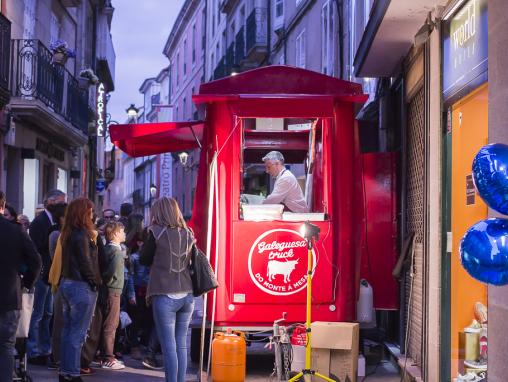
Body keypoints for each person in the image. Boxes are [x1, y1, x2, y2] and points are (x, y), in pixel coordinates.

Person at [140, 197, 195, 382]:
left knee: (169, 347)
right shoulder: (188, 232)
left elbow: (144, 259)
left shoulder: (154, 232)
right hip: (187, 294)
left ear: (159, 212)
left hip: (164, 293)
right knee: (181, 345)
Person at [59, 198, 102, 382]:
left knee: (68, 331)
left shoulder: (68, 233)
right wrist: (94, 282)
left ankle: (66, 372)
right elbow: (86, 263)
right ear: (84, 213)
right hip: (80, 286)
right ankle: (73, 373)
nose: (92, 214)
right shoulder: (82, 235)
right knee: (77, 333)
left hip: (68, 284)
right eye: (90, 211)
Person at [0, 190, 41, 382]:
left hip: (10, 295)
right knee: (6, 347)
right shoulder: (16, 230)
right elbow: (36, 262)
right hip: (9, 296)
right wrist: (25, 284)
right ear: (3, 205)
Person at [27, 189, 66, 365]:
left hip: (52, 275)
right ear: (50, 202)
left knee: (48, 314)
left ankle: (45, 349)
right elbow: (35, 250)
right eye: (60, 202)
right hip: (42, 274)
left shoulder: (58, 223)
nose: (63, 206)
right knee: (37, 314)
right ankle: (34, 351)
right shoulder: (38, 223)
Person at [100, 222, 127, 370]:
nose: (124, 233)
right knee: (111, 324)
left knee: (108, 323)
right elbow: (111, 272)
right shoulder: (116, 252)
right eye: (122, 231)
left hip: (109, 289)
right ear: (116, 234)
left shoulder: (107, 249)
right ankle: (108, 358)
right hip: (113, 290)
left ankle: (105, 355)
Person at [46, 202, 67, 369]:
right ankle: (56, 356)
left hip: (65, 280)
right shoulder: (55, 234)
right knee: (58, 319)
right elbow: (56, 258)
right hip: (59, 280)